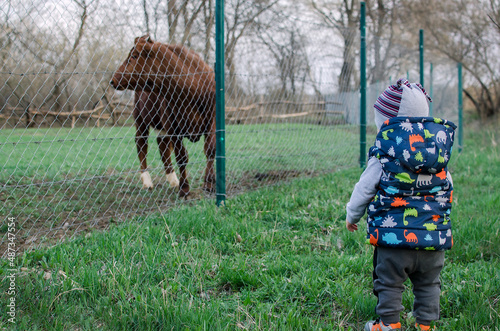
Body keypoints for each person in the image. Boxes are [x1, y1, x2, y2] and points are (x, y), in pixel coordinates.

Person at [345, 78, 456, 331]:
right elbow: (448, 185)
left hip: (394, 240)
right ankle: (425, 325)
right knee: (429, 284)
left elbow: (364, 189)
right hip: (432, 237)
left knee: (389, 283)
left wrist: (352, 215)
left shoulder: (383, 154)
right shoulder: (437, 154)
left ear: (386, 122)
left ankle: (388, 324)